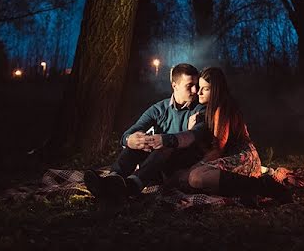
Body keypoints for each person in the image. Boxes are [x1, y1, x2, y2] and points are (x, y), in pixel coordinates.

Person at [151, 66, 292, 204]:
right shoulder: (207, 110)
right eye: (199, 87)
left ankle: (264, 186)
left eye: (205, 89)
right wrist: (192, 129)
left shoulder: (222, 109)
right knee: (186, 179)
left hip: (242, 157)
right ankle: (243, 189)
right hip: (226, 157)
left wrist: (191, 169)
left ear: (216, 91)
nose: (198, 92)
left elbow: (219, 149)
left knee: (195, 177)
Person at [84, 63, 205, 202]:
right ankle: (112, 179)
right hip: (153, 166)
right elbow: (129, 133)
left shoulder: (199, 110)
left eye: (196, 85)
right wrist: (131, 139)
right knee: (138, 142)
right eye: (190, 86)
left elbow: (194, 135)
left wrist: (166, 140)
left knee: (164, 147)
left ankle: (131, 186)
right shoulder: (159, 109)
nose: (195, 90)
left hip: (180, 163)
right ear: (174, 85)